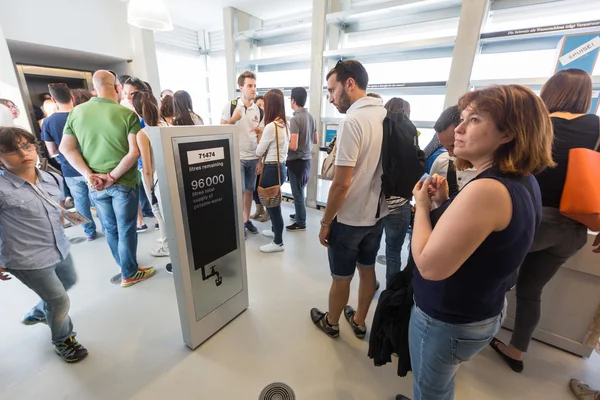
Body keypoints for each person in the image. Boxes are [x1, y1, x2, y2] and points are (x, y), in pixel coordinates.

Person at [397, 85, 554, 400]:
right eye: (463, 118)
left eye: (475, 120)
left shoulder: (487, 190)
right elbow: (482, 241)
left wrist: (423, 208)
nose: (459, 128)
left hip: (448, 318)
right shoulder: (523, 181)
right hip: (482, 309)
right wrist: (445, 204)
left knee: (431, 391)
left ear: (508, 133)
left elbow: (428, 264)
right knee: (440, 381)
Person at [490, 69, 600, 373]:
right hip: (574, 228)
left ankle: (474, 334)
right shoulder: (598, 128)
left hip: (531, 221)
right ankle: (516, 351)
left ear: (551, 91)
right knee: (530, 291)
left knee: (494, 280)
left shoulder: (538, 124)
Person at [311, 60, 387, 341]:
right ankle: (359, 320)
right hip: (377, 215)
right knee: (368, 271)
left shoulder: (353, 121)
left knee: (341, 277)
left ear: (350, 84)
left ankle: (331, 322)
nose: (331, 98)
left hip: (349, 218)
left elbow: (341, 183)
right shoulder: (385, 115)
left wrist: (325, 221)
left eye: (332, 90)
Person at [60, 70, 156, 288]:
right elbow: (134, 152)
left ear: (95, 87)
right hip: (123, 182)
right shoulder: (127, 114)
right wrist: (112, 176)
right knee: (126, 228)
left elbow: (66, 148)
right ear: (117, 88)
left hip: (95, 184)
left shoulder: (76, 113)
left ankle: (124, 267)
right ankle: (129, 273)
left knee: (110, 229)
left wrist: (88, 174)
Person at [0, 127, 88, 363]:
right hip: (26, 259)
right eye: (10, 150)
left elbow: (57, 209)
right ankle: (63, 339)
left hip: (59, 247)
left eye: (27, 146)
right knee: (59, 300)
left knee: (68, 281)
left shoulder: (52, 177)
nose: (23, 153)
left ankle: (40, 312)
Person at [41, 83, 98, 241]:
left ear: (53, 99)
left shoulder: (48, 122)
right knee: (99, 200)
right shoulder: (84, 115)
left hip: (69, 169)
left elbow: (52, 151)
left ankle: (88, 233)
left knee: (78, 204)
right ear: (72, 97)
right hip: (91, 167)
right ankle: (109, 229)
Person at [221, 71, 264, 235]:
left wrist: (260, 160)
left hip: (253, 157)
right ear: (241, 87)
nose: (253, 89)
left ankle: (246, 221)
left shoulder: (259, 110)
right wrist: (233, 120)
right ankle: (238, 226)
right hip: (236, 157)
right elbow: (219, 130)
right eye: (249, 86)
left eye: (254, 86)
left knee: (249, 191)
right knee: (238, 192)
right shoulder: (231, 105)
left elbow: (260, 135)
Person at [377, 97, 413, 285]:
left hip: (376, 202)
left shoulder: (377, 132)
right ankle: (391, 292)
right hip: (399, 203)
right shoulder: (410, 136)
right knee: (393, 252)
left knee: (370, 249)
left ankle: (369, 284)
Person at [131, 91, 170, 260]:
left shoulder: (143, 133)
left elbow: (147, 169)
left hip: (155, 178)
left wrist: (150, 189)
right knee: (170, 214)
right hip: (169, 175)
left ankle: (167, 246)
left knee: (159, 213)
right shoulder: (166, 126)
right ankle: (169, 242)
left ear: (137, 110)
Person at [255, 89, 289, 253]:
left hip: (271, 168)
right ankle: (275, 231)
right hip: (280, 168)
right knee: (272, 202)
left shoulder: (270, 126)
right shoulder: (283, 124)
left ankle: (278, 242)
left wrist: (259, 137)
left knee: (273, 206)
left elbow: (259, 151)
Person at [286, 87, 317, 232]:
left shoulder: (295, 119)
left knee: (296, 193)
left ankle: (301, 222)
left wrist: (282, 143)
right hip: (307, 160)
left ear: (293, 100)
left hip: (296, 161)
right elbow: (316, 140)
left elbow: (293, 146)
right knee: (301, 190)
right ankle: (299, 214)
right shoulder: (311, 117)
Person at [429, 106, 477, 197]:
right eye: (446, 149)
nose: (451, 154)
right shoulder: (442, 161)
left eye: (453, 146)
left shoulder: (492, 173)